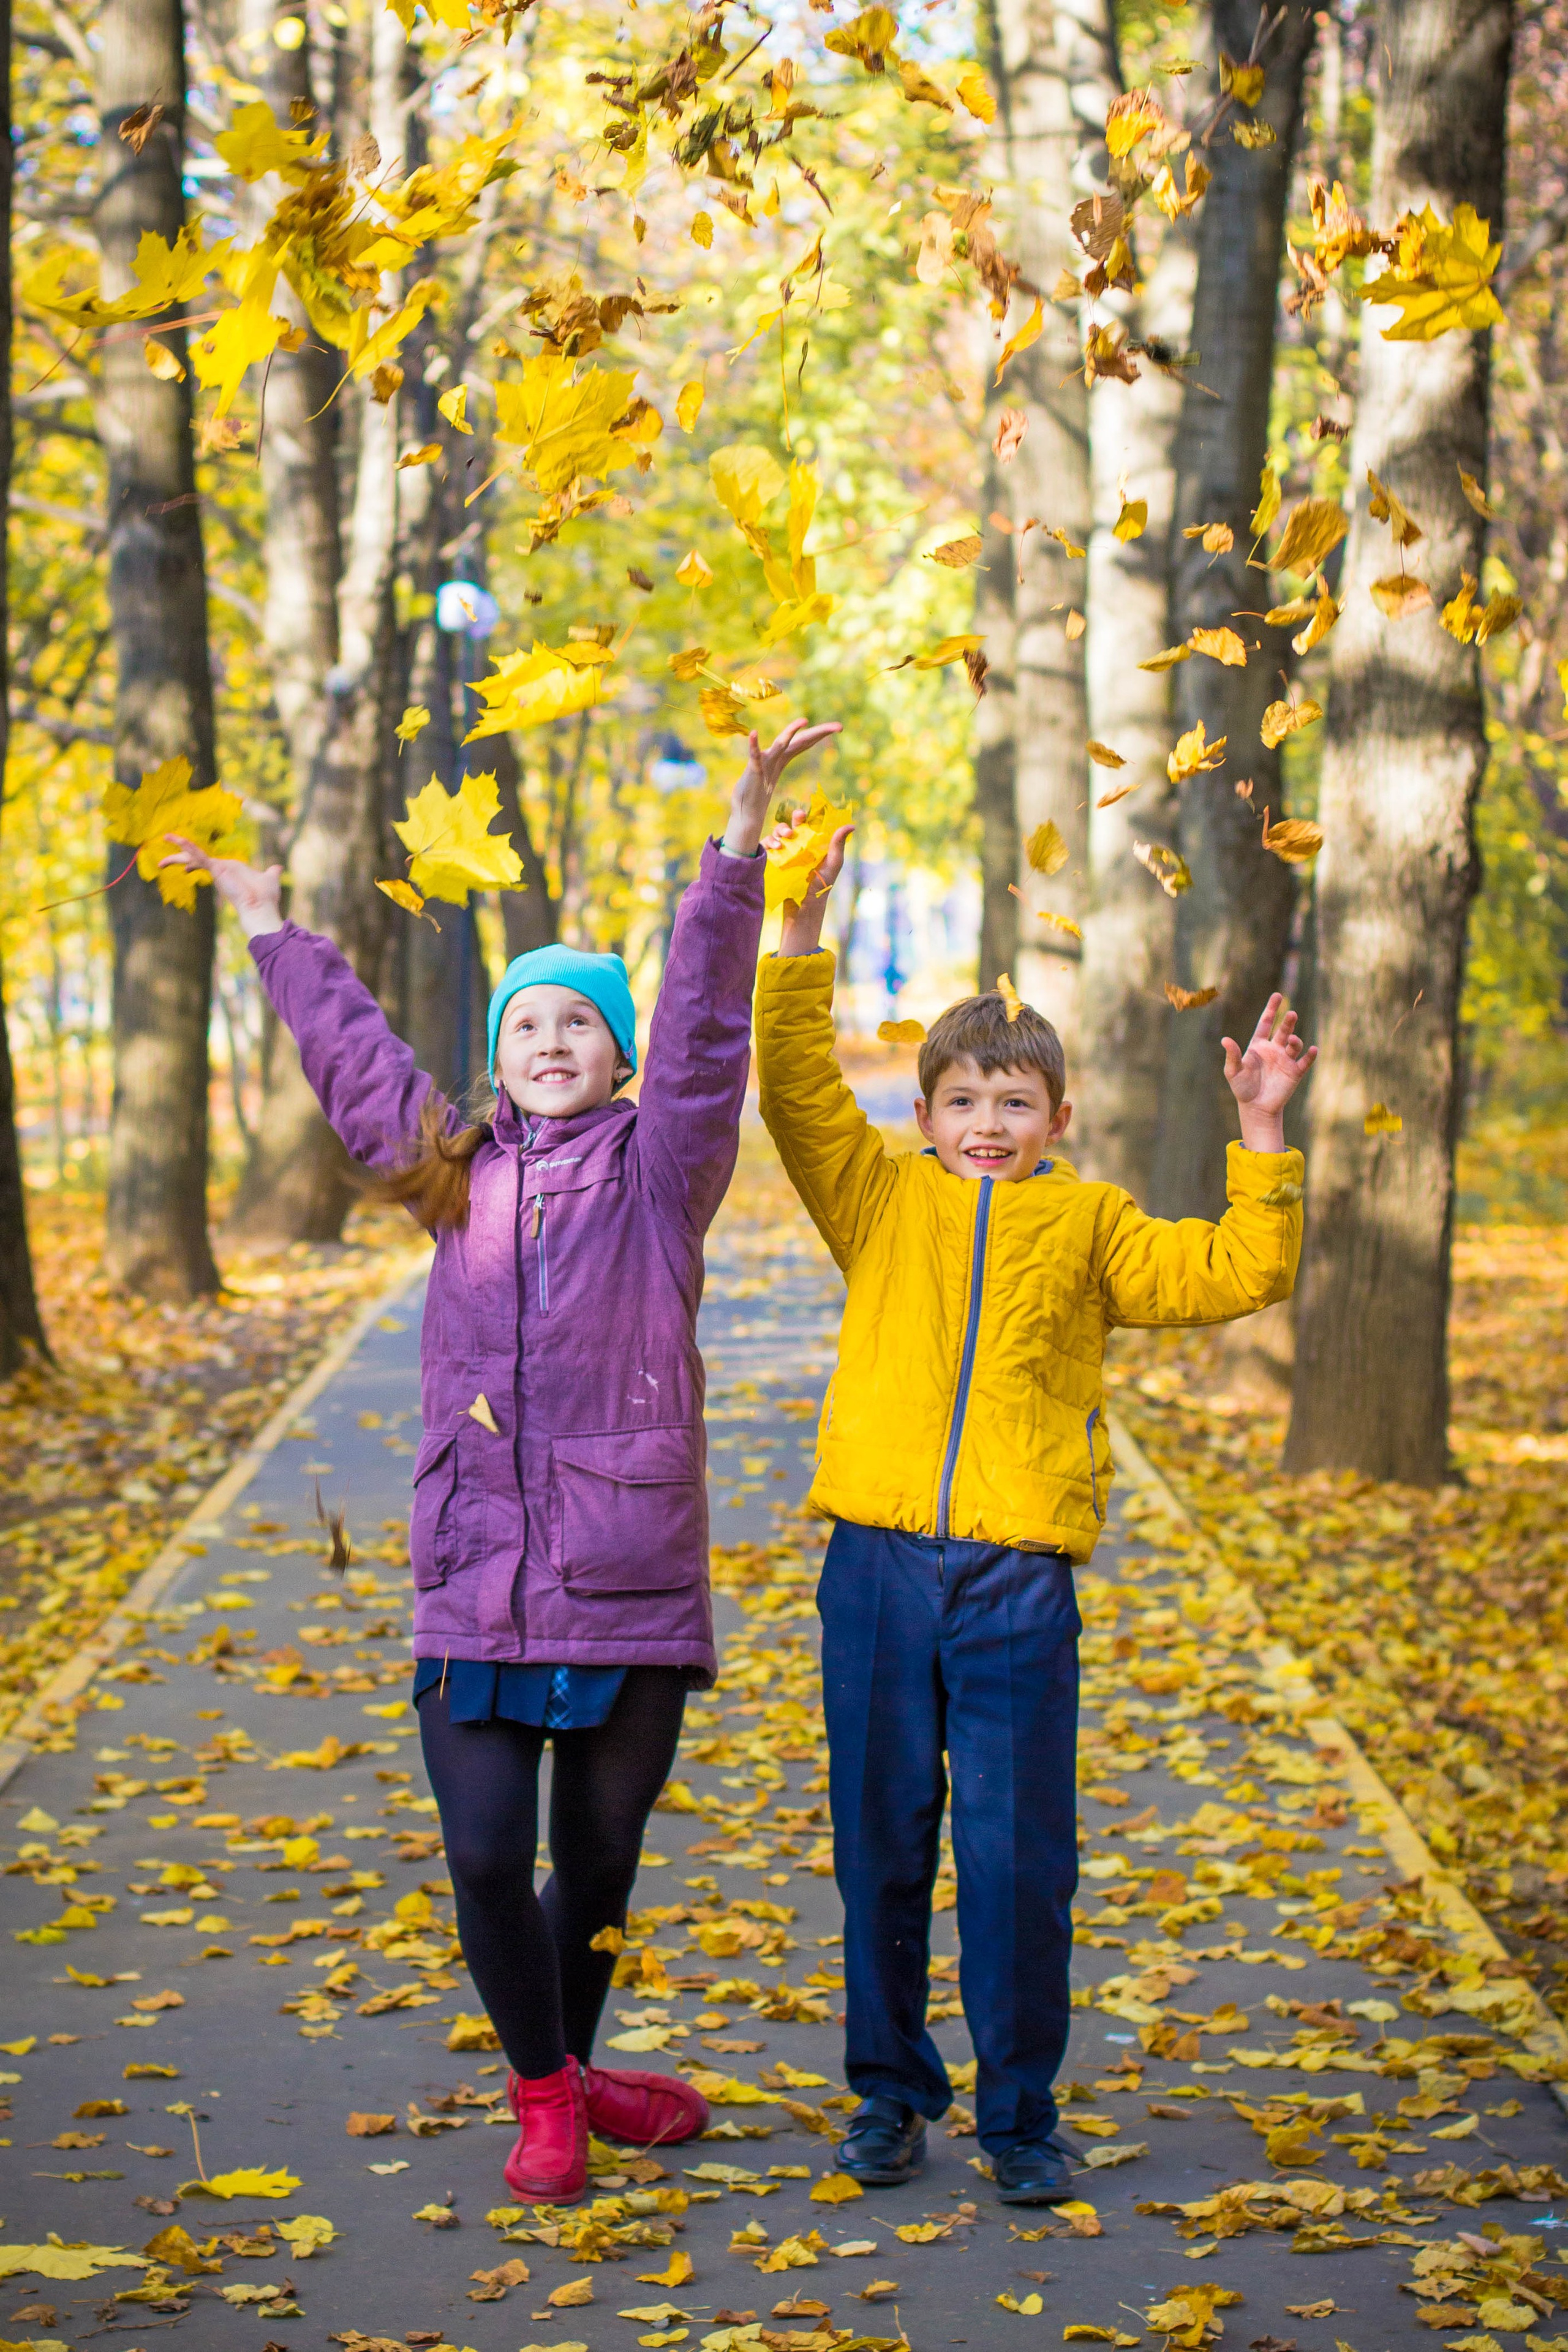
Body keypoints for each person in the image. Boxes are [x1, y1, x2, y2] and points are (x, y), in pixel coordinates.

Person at [162, 714, 840, 2205]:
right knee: (483, 1857)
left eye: (577, 1023)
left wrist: (733, 846)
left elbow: (710, 1032)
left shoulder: (665, 1173)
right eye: (527, 1023)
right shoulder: (448, 1173)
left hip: (622, 1571)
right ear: (500, 1054)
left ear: (612, 1056)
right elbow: (354, 1067)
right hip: (475, 1566)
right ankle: (552, 2091)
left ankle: (569, 2066)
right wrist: (270, 922)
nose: (548, 1041)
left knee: (592, 1871)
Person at [753, 816, 1315, 2206]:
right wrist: (794, 935)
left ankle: (1017, 2117)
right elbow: (793, 1092)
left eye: (1013, 1105)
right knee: (881, 1844)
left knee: (1015, 1862)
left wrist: (1260, 1127)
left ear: (1055, 1120)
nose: (986, 1127)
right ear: (925, 1115)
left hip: (1016, 1584)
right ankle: (888, 2098)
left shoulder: (1090, 1226)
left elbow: (1238, 1270)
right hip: (878, 1565)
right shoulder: (875, 1201)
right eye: (961, 1102)